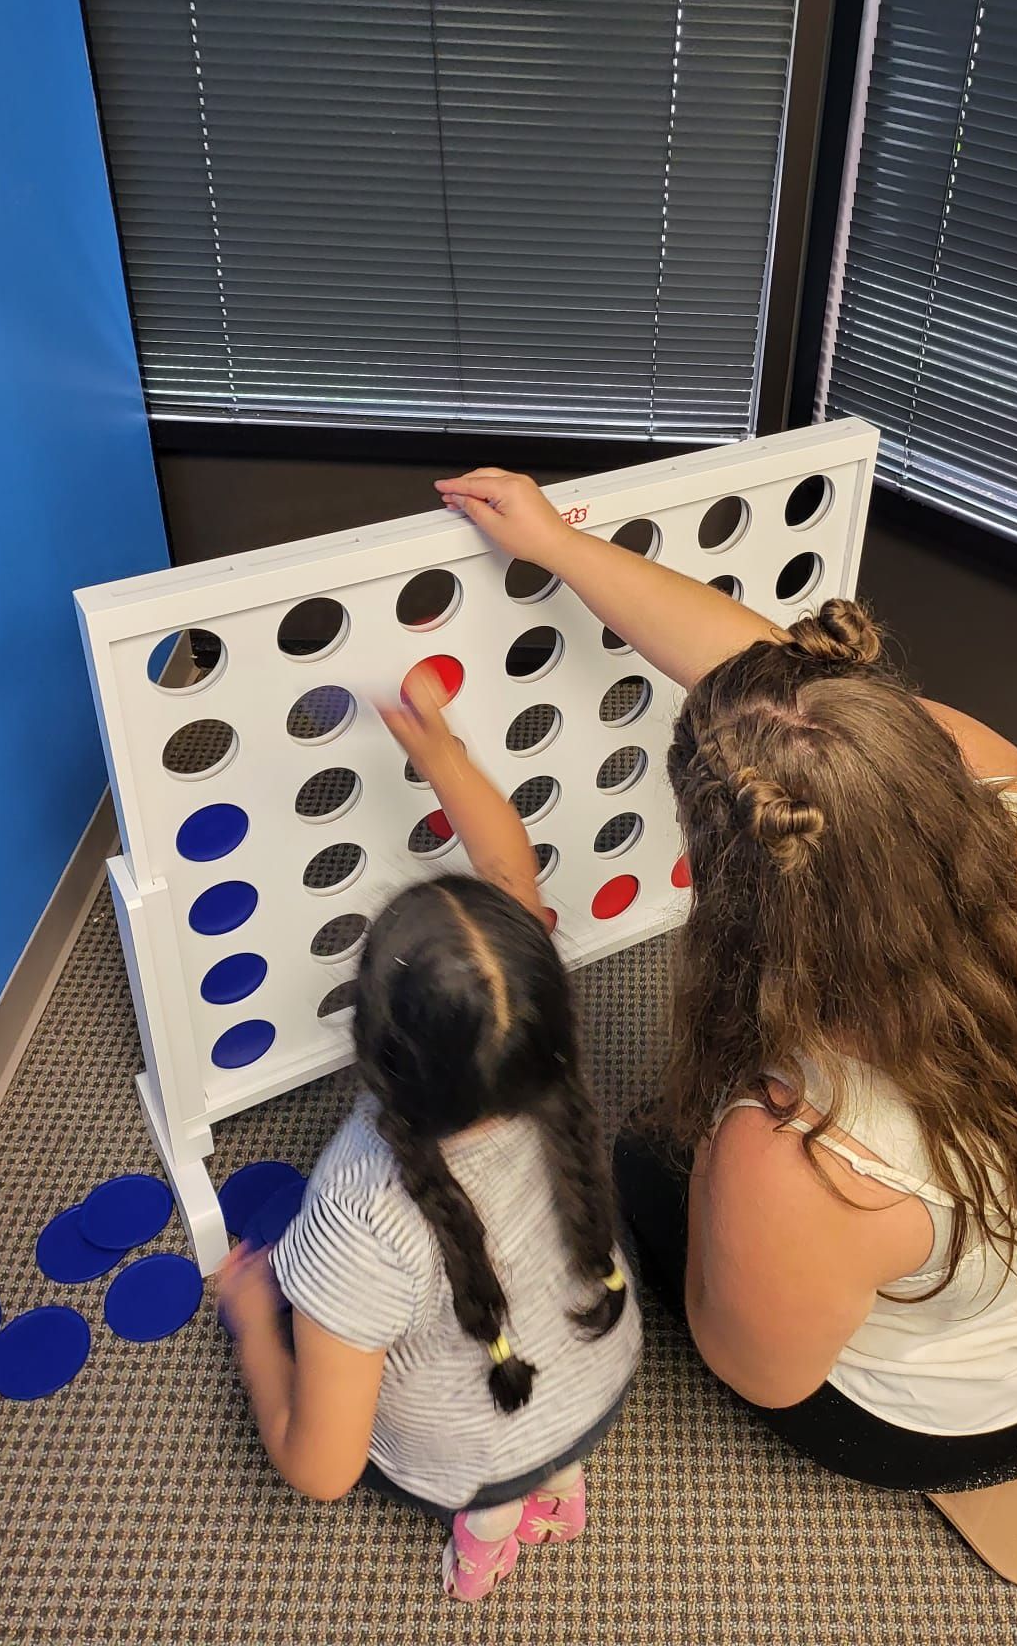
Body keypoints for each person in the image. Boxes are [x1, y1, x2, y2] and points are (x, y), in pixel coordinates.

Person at [432, 466, 1017, 1594]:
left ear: (748, 908)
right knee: (921, 1231)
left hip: (945, 1410)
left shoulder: (801, 1144)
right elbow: (786, 701)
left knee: (647, 1167)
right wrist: (561, 546)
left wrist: (721, 1215)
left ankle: (985, 1444)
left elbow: (765, 1370)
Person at [217, 668, 641, 1602]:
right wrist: (444, 755)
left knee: (432, 1436)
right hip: (601, 1386)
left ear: (371, 1044)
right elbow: (510, 877)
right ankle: (555, 1482)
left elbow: (322, 1471)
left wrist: (254, 1323)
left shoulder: (357, 1208)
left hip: (471, 1450)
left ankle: (489, 1524)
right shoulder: (545, 1059)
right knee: (523, 1403)